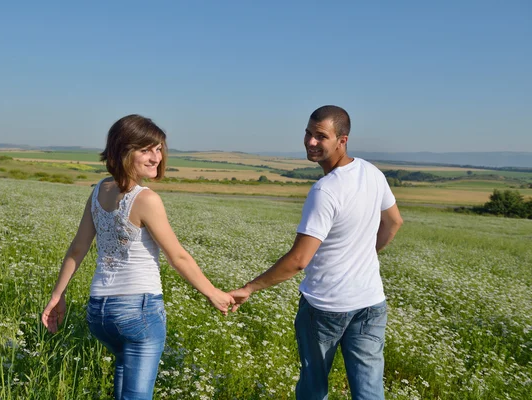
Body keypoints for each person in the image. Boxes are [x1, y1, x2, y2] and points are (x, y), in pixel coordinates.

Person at [42, 114, 235, 400]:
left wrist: (58, 295)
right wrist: (213, 293)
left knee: (124, 385)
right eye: (146, 149)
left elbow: (77, 249)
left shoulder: (99, 190)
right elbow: (178, 257)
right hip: (138, 311)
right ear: (123, 151)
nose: (156, 157)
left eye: (158, 149)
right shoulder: (146, 199)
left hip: (100, 313)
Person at [229, 105, 403, 400]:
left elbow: (298, 261)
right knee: (370, 390)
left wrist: (250, 287)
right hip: (371, 302)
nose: (310, 142)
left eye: (320, 136)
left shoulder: (325, 191)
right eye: (308, 133)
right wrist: (366, 254)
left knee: (314, 387)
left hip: (326, 307)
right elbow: (394, 221)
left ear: (342, 140)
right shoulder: (372, 173)